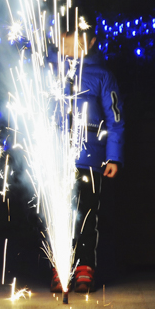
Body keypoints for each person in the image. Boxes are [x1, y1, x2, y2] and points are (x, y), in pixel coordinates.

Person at [50, 19, 125, 293]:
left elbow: (115, 119)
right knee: (59, 215)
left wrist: (113, 157)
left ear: (91, 42)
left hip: (89, 159)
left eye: (78, 41)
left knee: (87, 215)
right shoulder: (50, 71)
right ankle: (61, 267)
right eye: (67, 39)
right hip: (56, 158)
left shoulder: (101, 76)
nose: (71, 46)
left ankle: (85, 267)